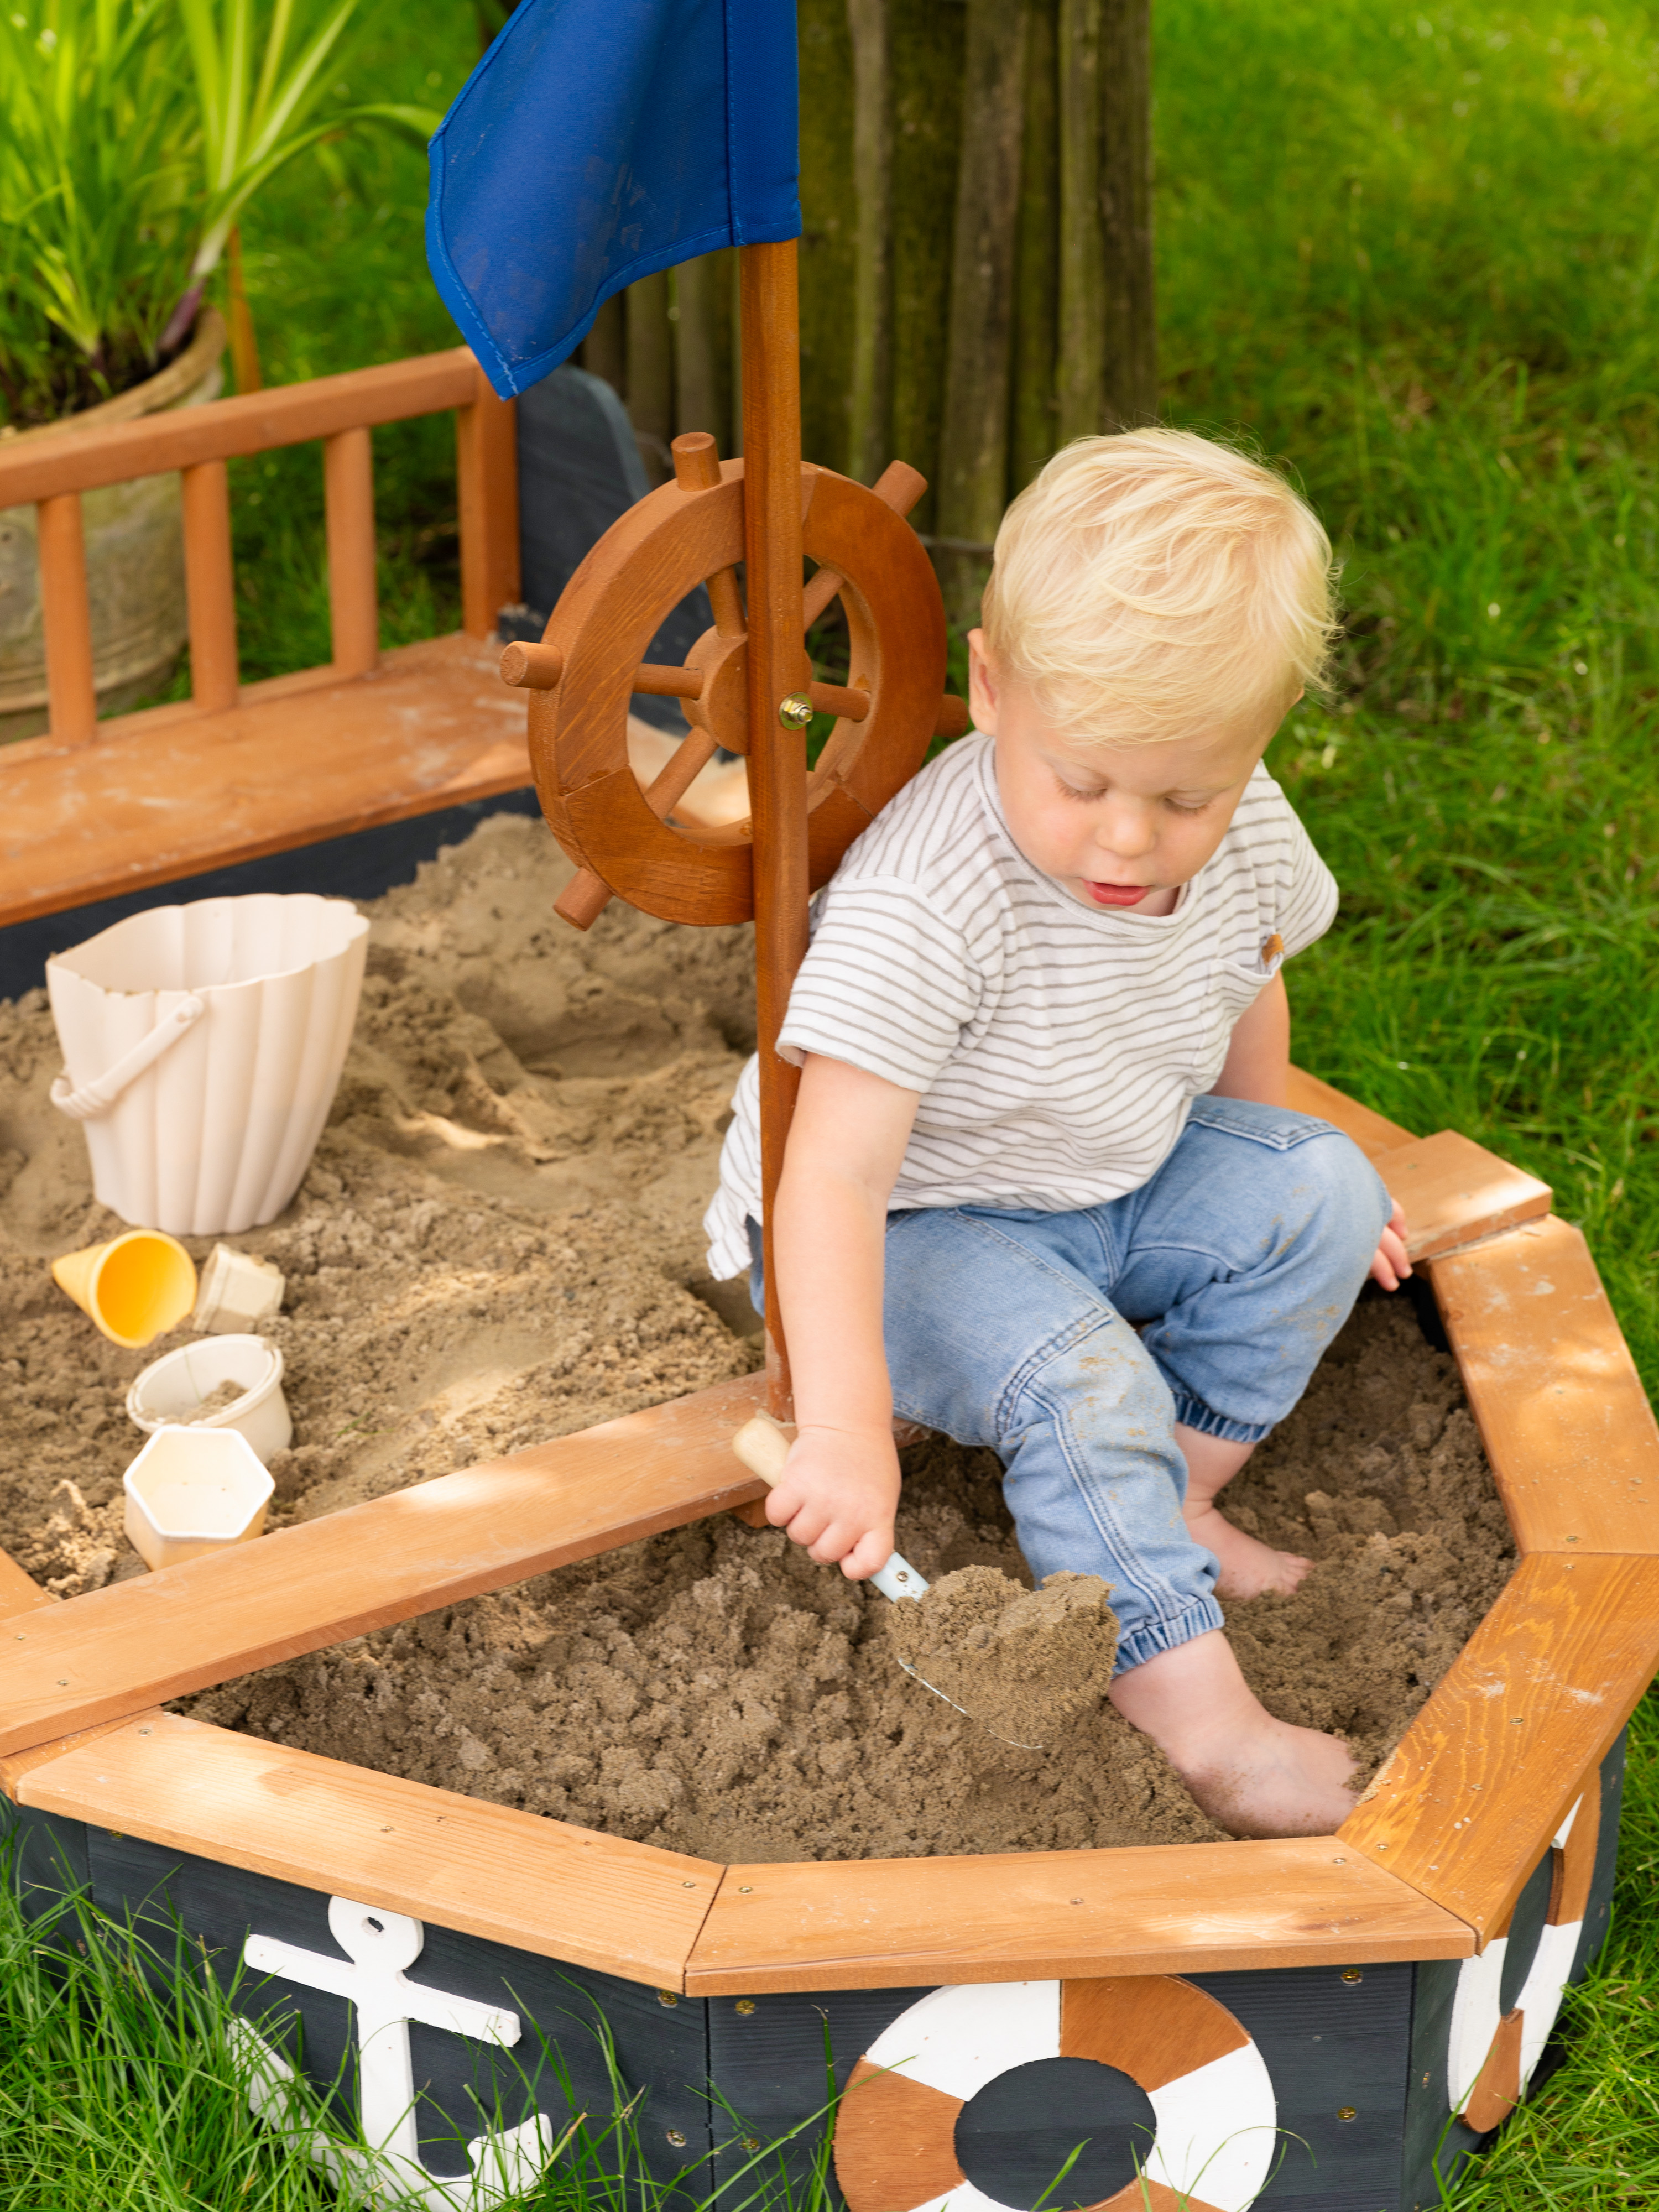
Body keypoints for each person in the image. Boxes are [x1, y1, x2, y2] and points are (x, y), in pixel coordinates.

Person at [702, 428, 1411, 1839]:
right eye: (1081, 781)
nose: (1130, 839)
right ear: (986, 687)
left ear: (1251, 754)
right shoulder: (933, 899)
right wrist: (844, 1428)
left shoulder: (1242, 827)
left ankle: (1177, 1505)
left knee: (1328, 1187)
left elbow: (1246, 979)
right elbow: (831, 1175)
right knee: (1083, 1375)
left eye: (1184, 796)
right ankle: (1189, 1703)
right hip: (900, 1235)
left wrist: (1266, 1181)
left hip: (1099, 1178)